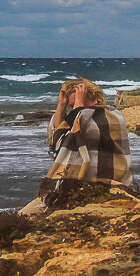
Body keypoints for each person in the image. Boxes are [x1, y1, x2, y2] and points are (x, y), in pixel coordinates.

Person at [19, 77, 133, 214]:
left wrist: (78, 107)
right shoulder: (81, 116)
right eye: (70, 106)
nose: (72, 109)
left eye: (74, 105)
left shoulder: (109, 116)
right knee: (23, 215)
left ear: (89, 95)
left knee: (29, 215)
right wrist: (61, 106)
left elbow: (63, 140)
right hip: (77, 184)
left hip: (104, 182)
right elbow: (54, 137)